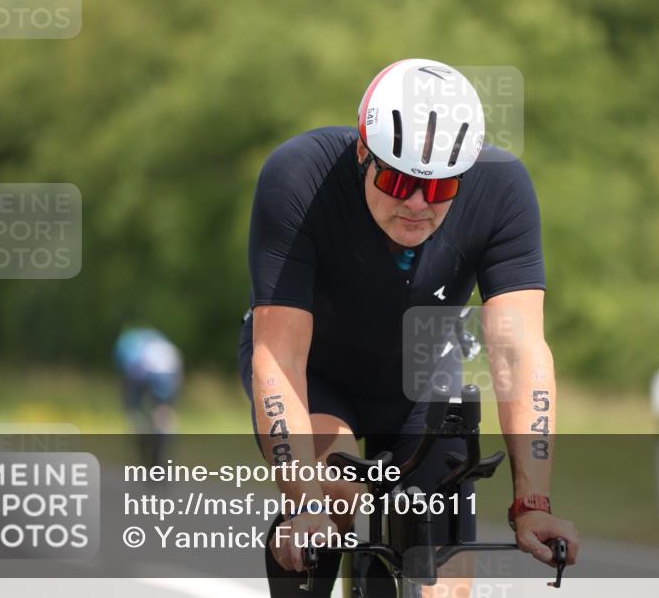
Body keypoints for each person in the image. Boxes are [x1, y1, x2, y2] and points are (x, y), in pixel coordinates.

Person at [238, 58, 579, 596]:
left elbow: (519, 353)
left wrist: (532, 502)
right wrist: (303, 503)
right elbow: (278, 356)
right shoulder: (299, 174)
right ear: (362, 152)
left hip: (420, 378)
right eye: (398, 180)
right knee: (335, 496)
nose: (417, 204)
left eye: (441, 188)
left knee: (445, 585)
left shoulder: (504, 189)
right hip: (315, 374)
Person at [114, 327, 183, 468]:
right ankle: (160, 454)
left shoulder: (132, 347)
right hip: (169, 371)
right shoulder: (161, 346)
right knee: (163, 415)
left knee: (138, 416)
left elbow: (130, 379)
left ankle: (150, 450)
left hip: (147, 372)